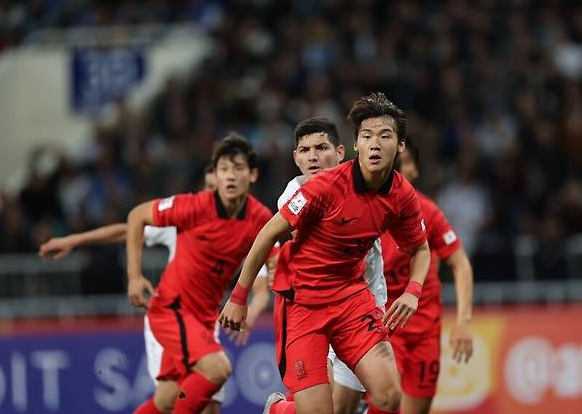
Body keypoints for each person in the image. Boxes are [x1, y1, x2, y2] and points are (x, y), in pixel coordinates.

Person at [220, 92, 431, 414]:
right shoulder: (320, 189)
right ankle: (278, 409)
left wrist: (413, 292)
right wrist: (238, 298)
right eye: (367, 136)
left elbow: (421, 248)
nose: (375, 144)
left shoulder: (402, 194)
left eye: (384, 136)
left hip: (353, 299)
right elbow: (267, 234)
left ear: (400, 145)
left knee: (389, 397)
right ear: (357, 144)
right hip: (305, 305)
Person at [38, 166, 271, 414]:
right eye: (211, 187)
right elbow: (127, 231)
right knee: (184, 394)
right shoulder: (187, 220)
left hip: (204, 320)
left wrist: (251, 310)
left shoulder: (251, 229)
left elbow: (261, 285)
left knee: (199, 403)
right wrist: (73, 240)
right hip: (173, 314)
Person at [127, 134, 273, 414]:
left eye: (238, 169)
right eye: (224, 169)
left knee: (168, 399)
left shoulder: (260, 218)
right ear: (215, 176)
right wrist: (134, 276)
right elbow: (136, 216)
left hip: (204, 319)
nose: (230, 176)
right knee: (218, 369)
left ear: (253, 175)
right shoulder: (193, 207)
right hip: (172, 310)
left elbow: (277, 261)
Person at [274, 117, 387, 413]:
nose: (313, 157)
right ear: (295, 158)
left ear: (339, 152)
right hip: (314, 309)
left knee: (346, 408)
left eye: (321, 147)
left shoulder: (363, 183)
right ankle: (278, 409)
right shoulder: (294, 194)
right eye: (305, 150)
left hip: (362, 306)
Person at [381, 140, 474, 414]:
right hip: (384, 328)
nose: (409, 170)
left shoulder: (428, 211)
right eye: (402, 163)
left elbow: (461, 264)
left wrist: (464, 321)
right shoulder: (366, 211)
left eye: (409, 162)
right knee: (385, 401)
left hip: (425, 330)